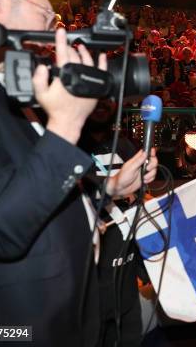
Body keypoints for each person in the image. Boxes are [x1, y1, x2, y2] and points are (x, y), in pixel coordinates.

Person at [0, 0, 153, 346]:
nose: (54, 29)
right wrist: (67, 120)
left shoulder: (4, 86)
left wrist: (107, 192)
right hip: (7, 329)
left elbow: (28, 188)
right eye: (46, 16)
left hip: (63, 317)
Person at [78, 100, 158, 347]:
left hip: (126, 286)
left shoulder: (125, 146)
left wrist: (146, 267)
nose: (102, 103)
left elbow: (139, 206)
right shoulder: (69, 148)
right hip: (87, 290)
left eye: (109, 97)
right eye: (96, 95)